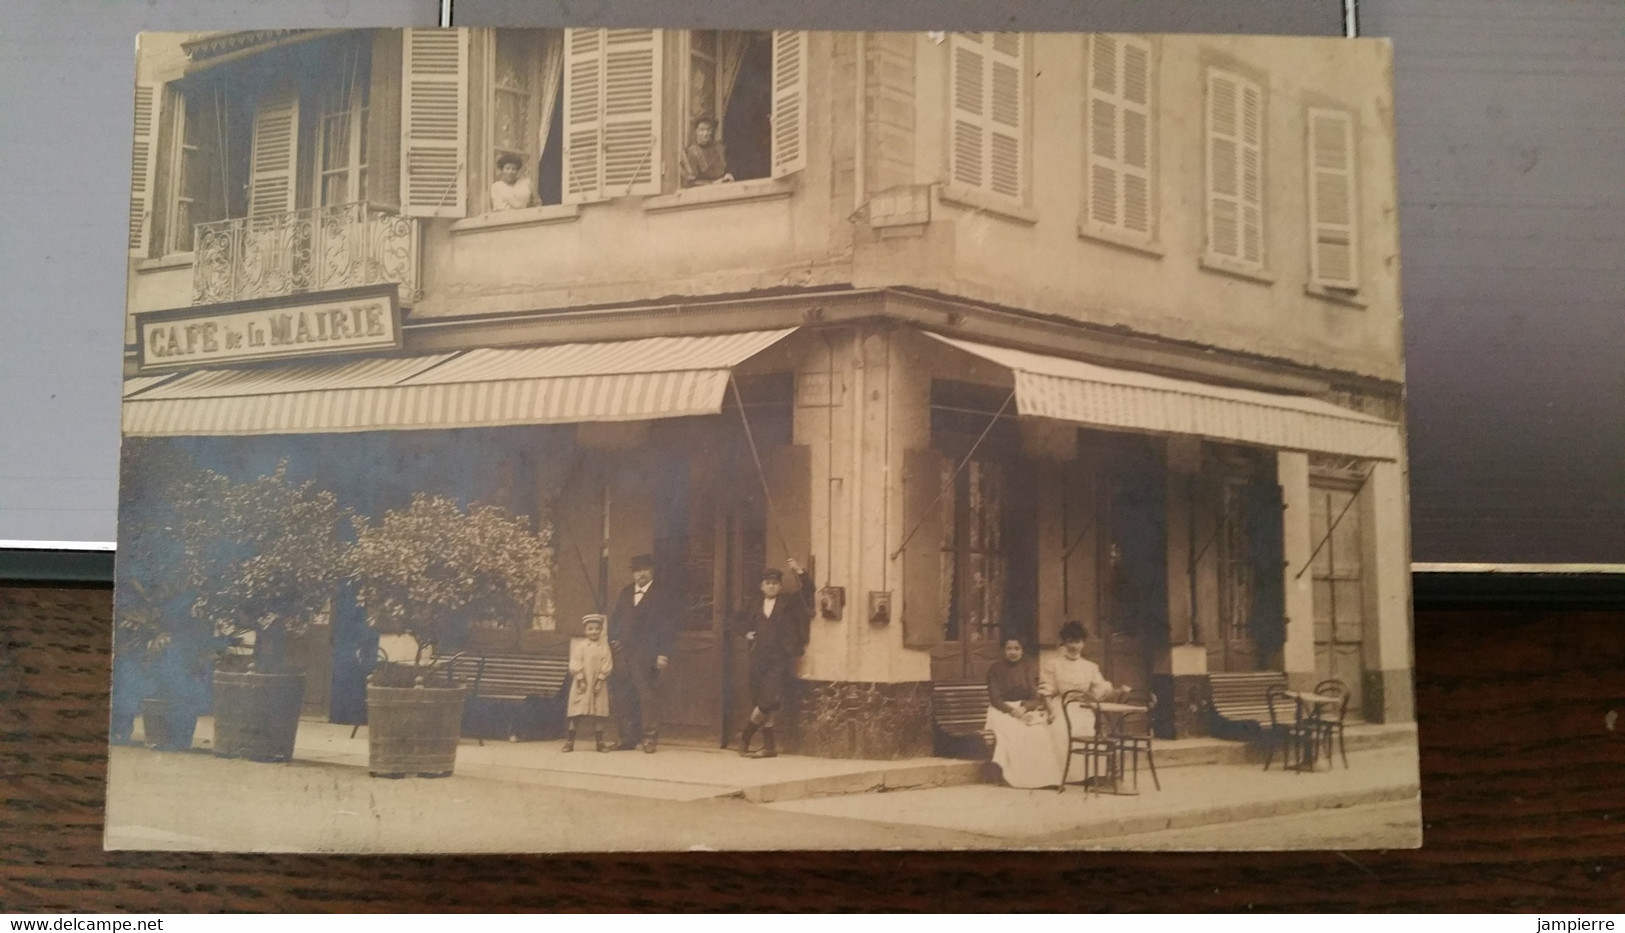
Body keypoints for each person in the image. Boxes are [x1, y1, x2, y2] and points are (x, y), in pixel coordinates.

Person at [731, 559, 813, 759]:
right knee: (764, 702)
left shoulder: (788, 602)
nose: (771, 586)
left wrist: (798, 571)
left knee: (767, 702)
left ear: (780, 586)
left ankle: (746, 735)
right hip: (758, 658)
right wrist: (744, 634)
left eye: (775, 583)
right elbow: (733, 621)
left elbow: (809, 590)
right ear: (762, 586)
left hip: (779, 658)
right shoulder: (753, 604)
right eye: (768, 583)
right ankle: (769, 746)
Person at [608, 554, 679, 753]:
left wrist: (663, 653)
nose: (641, 574)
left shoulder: (662, 595)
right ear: (633, 573)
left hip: (648, 654)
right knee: (623, 696)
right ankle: (627, 738)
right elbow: (615, 621)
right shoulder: (625, 593)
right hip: (624, 654)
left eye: (646, 569)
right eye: (638, 570)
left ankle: (649, 738)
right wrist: (614, 642)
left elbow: (668, 627)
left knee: (647, 696)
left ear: (652, 571)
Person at [985, 636, 1065, 788]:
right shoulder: (995, 669)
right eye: (1009, 649)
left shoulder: (1029, 667)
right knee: (1014, 731)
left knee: (1038, 732)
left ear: (1022, 650)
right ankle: (1020, 778)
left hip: (1024, 708)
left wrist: (1025, 708)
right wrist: (1014, 712)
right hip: (1002, 710)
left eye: (1017, 648)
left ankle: (1045, 779)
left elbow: (1035, 696)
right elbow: (995, 699)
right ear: (1003, 650)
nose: (1013, 652)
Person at [1039, 620, 1121, 740]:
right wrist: (1051, 712)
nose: (1074, 646)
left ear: (1083, 643)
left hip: (1083, 709)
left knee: (1088, 731)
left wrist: (1118, 691)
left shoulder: (1091, 667)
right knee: (1060, 729)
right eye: (1070, 642)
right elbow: (1046, 690)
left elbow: (1102, 690)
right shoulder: (1053, 664)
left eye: (1077, 642)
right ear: (1065, 643)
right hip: (1061, 707)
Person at [563, 614, 613, 753]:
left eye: (597, 629)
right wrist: (580, 678)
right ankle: (570, 741)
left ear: (601, 630)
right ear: (585, 630)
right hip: (582, 683)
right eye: (590, 629)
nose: (594, 632)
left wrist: (600, 680)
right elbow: (575, 662)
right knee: (576, 712)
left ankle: (600, 742)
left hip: (598, 683)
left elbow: (607, 664)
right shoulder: (581, 646)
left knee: (599, 713)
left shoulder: (604, 647)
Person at [679, 116, 734, 187]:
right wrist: (712, 184)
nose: (705, 134)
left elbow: (728, 166)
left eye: (708, 129)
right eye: (702, 130)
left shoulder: (720, 148)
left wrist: (729, 174)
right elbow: (690, 182)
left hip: (723, 187)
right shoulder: (691, 152)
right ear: (696, 131)